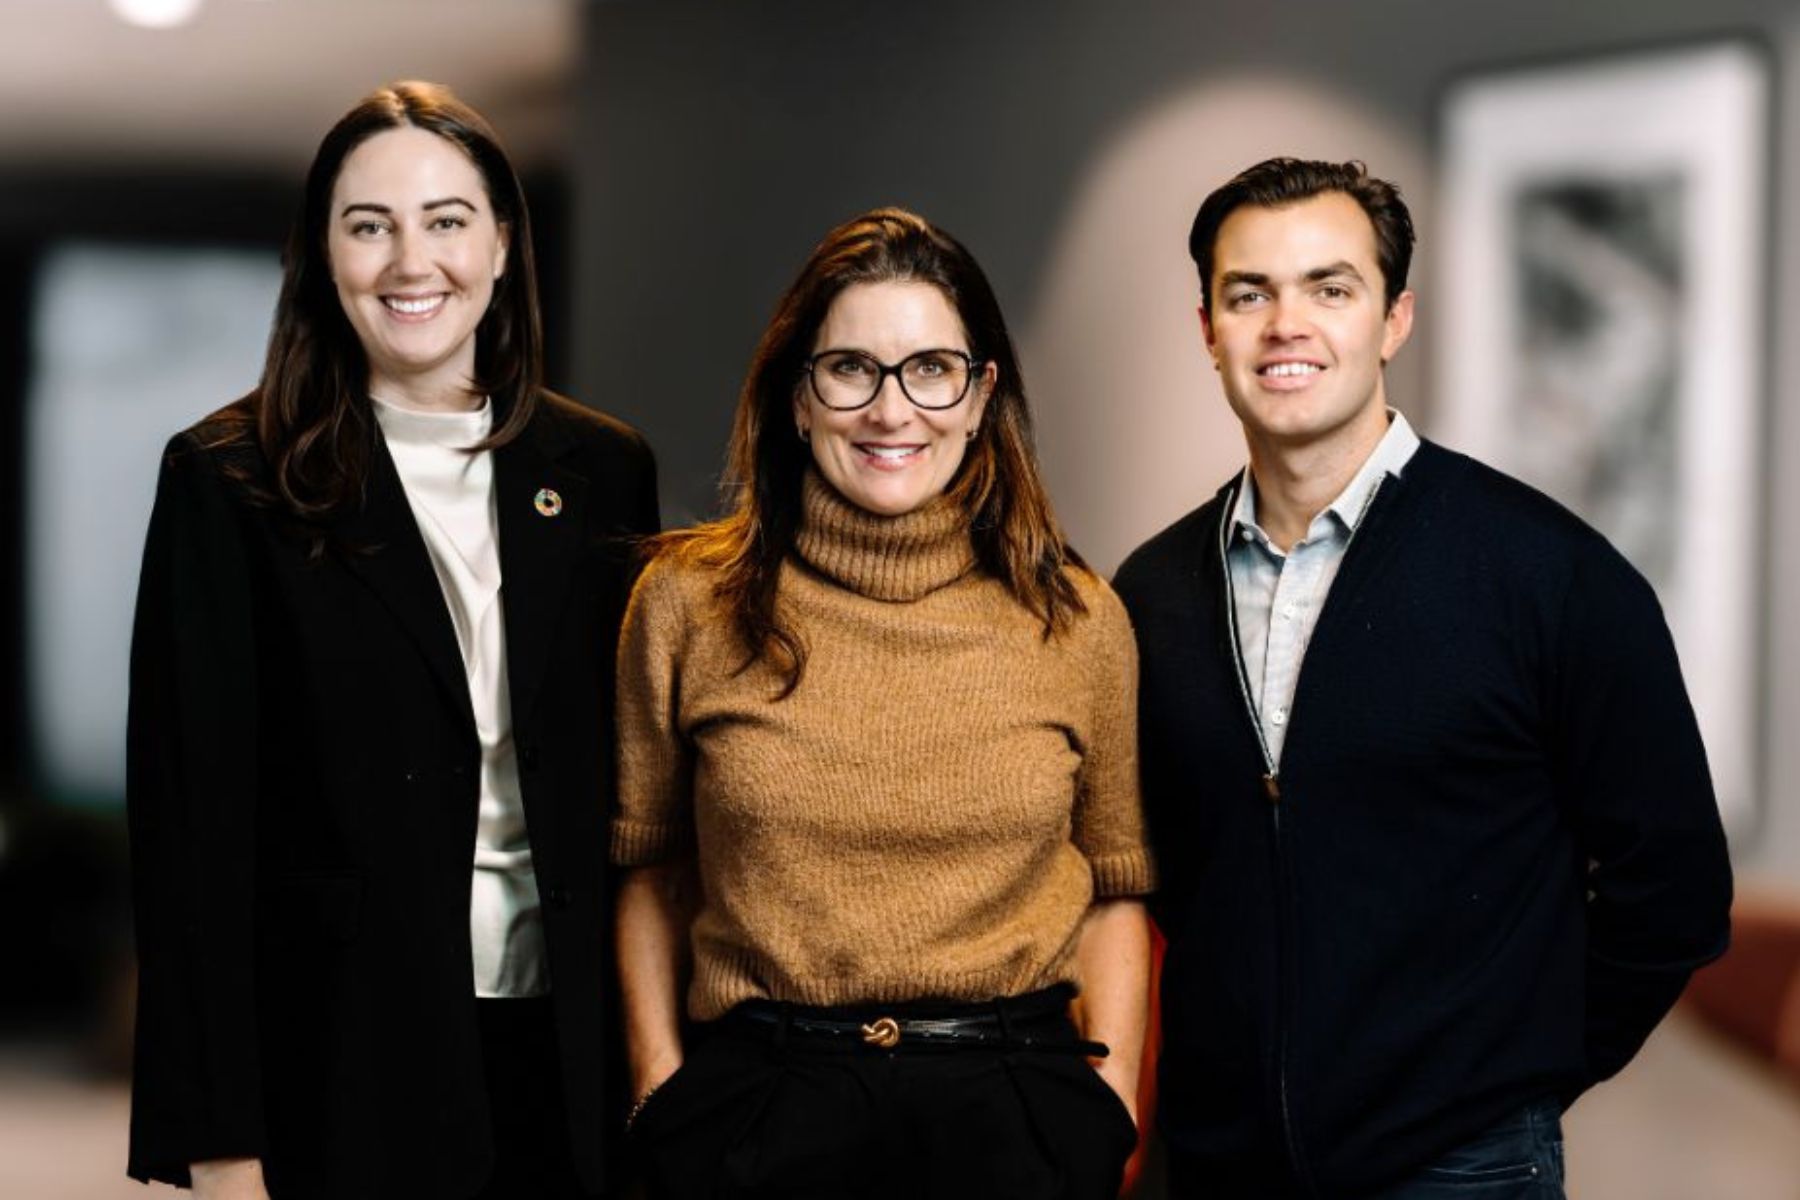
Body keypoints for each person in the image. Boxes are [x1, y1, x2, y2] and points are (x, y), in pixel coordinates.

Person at [1112, 157, 1734, 1199]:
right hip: (1219, 1168)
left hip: (1462, 1169)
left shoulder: (1548, 574)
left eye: (1330, 288)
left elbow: (1673, 893)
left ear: (1395, 319)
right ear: (1208, 327)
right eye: (1249, 293)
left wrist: (1508, 1077)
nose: (1286, 324)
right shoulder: (1151, 592)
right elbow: (1165, 874)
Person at [125, 81, 658, 1200]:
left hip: (568, 1050)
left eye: (447, 220)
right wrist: (223, 1147)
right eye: (370, 226)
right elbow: (192, 839)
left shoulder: (603, 470)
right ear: (325, 256)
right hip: (345, 1057)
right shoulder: (230, 482)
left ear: (504, 245)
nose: (412, 262)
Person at [611, 207, 1153, 1199]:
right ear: (797, 398)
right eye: (850, 368)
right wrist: (659, 1087)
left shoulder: (1078, 619)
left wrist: (1106, 1108)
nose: (891, 410)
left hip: (1014, 1117)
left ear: (984, 392)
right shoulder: (686, 605)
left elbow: (1115, 888)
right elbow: (650, 873)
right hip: (759, 1114)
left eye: (931, 369)